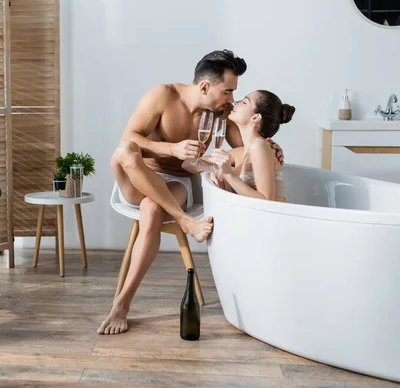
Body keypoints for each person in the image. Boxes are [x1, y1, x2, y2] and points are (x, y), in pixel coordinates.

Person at [98, 49, 285, 335]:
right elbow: (129, 136)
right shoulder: (163, 95)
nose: (232, 100)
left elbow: (246, 146)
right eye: (228, 91)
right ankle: (186, 222)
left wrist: (269, 146)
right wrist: (170, 148)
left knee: (152, 209)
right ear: (205, 86)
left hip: (177, 184)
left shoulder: (220, 113)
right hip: (138, 179)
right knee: (124, 151)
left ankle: (121, 305)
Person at [208, 90, 294, 202]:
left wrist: (229, 174)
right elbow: (190, 164)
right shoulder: (245, 150)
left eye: (244, 102)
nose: (235, 103)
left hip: (274, 218)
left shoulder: (260, 146)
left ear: (256, 117)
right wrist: (215, 170)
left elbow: (266, 201)